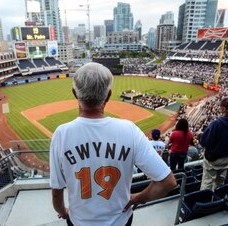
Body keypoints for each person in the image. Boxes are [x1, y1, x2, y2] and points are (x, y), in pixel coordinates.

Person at [50, 62, 177, 226]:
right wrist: (136, 198)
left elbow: (56, 194)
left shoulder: (61, 134)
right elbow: (168, 182)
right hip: (120, 221)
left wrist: (63, 212)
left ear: (75, 94)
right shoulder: (129, 130)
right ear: (108, 95)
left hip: (79, 222)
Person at [200, 97, 228, 191]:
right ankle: (218, 200)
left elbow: (204, 142)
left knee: (207, 182)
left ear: (224, 108)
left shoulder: (216, 123)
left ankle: (204, 204)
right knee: (220, 181)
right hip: (227, 157)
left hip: (213, 158)